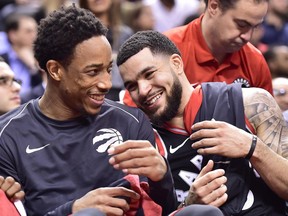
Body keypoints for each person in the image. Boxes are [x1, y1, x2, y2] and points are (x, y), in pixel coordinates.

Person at [0, 5, 177, 216]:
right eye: (93, 72)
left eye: (108, 70)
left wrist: (162, 179)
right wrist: (73, 210)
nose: (106, 84)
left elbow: (165, 210)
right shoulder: (7, 137)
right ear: (55, 70)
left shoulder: (130, 121)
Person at [116, 30, 288, 215]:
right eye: (132, 86)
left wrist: (252, 147)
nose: (142, 90)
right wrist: (188, 209)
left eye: (149, 74)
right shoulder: (142, 143)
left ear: (176, 63)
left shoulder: (250, 104)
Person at [121, 0, 273, 107]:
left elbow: (267, 125)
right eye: (241, 25)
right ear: (214, 6)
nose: (247, 36)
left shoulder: (255, 60)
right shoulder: (164, 49)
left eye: (255, 27)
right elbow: (133, 116)